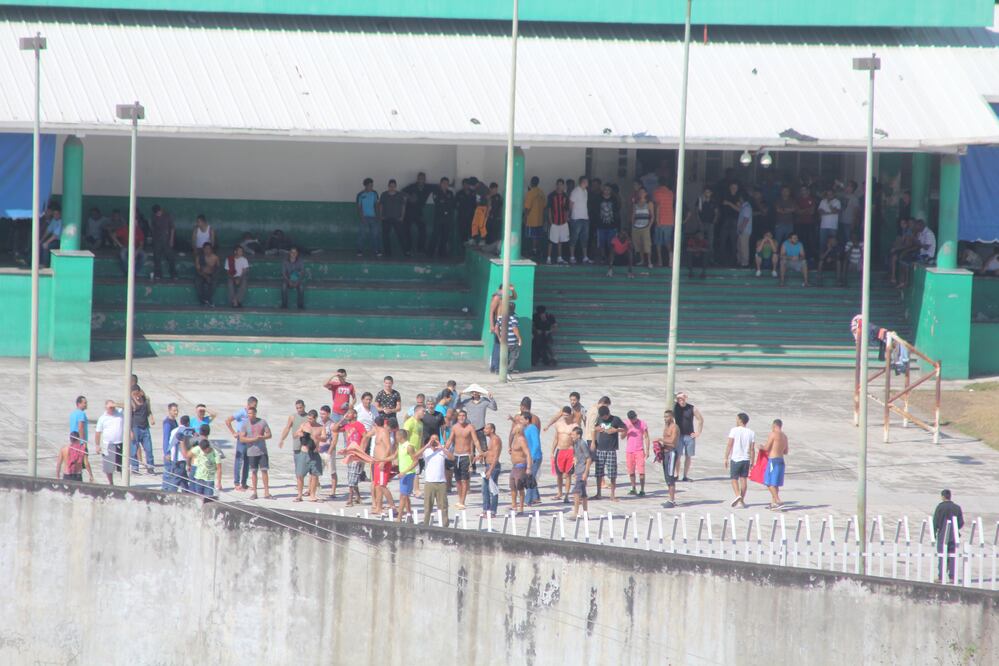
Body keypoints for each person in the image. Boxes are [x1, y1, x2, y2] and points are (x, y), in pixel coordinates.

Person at [361, 415, 400, 516]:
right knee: (378, 486)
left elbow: (388, 447)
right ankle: (378, 507)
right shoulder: (376, 430)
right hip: (377, 461)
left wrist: (383, 462)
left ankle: (393, 507)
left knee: (382, 486)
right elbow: (366, 435)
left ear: (375, 423)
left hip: (383, 462)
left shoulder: (384, 432)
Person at [239, 405, 273, 499]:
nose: (249, 415)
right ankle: (255, 492)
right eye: (248, 413)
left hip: (262, 451)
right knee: (254, 472)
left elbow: (269, 434)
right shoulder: (245, 424)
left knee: (264, 471)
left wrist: (263, 437)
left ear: (255, 413)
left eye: (250, 413)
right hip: (251, 452)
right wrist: (253, 439)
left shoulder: (262, 422)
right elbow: (241, 438)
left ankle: (266, 492)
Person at [397, 405, 425, 520]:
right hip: (408, 454)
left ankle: (408, 514)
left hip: (416, 454)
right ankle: (402, 515)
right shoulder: (410, 422)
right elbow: (403, 437)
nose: (424, 413)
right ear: (417, 411)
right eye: (423, 411)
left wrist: (422, 449)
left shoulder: (421, 424)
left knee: (406, 492)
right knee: (404, 493)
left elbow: (421, 438)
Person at [419, 434, 454, 526]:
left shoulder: (442, 451)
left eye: (436, 439)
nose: (434, 441)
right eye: (432, 439)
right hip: (429, 482)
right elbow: (415, 456)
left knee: (443, 506)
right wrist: (426, 445)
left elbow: (452, 457)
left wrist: (442, 448)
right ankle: (425, 524)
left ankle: (445, 525)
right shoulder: (426, 451)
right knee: (427, 506)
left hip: (441, 482)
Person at [457, 386, 497, 463]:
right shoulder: (467, 401)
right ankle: (473, 467)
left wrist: (492, 399)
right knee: (471, 449)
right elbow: (457, 406)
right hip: (470, 428)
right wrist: (459, 397)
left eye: (476, 391)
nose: (474, 393)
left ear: (480, 392)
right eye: (473, 392)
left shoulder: (485, 401)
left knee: (484, 449)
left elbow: (494, 408)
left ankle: (487, 466)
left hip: (481, 429)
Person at [446, 409, 476, 510]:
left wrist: (481, 453)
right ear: (457, 417)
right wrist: (443, 450)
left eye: (463, 415)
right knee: (458, 480)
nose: (462, 417)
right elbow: (450, 440)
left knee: (464, 480)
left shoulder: (470, 427)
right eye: (460, 416)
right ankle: (460, 500)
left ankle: (462, 501)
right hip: (456, 456)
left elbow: (475, 440)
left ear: (466, 417)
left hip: (465, 456)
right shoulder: (454, 427)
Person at [723, 412, 755, 508]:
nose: (736, 421)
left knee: (734, 479)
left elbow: (729, 444)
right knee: (743, 479)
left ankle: (738, 495)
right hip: (746, 459)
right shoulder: (751, 432)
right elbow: (752, 449)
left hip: (736, 458)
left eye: (737, 419)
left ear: (740, 420)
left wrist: (725, 457)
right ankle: (742, 501)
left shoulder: (734, 430)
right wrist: (752, 461)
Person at [224, 396, 257, 490]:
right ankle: (236, 483)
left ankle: (244, 483)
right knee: (239, 460)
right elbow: (228, 420)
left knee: (247, 461)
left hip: (250, 439)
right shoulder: (241, 412)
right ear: (249, 404)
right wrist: (233, 432)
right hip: (242, 438)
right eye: (254, 405)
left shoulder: (252, 414)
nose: (255, 407)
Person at [932, 489, 964, 584]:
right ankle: (952, 577)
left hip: (942, 534)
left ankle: (941, 577)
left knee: (942, 556)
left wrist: (934, 534)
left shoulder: (940, 507)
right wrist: (955, 527)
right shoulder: (957, 508)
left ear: (942, 496)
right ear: (950, 496)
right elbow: (961, 523)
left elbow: (935, 522)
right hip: (954, 535)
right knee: (952, 556)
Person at [672, 392, 703, 482]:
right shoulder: (675, 407)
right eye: (679, 399)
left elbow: (700, 419)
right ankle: (676, 475)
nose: (680, 401)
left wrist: (698, 432)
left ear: (685, 399)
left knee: (688, 456)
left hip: (689, 435)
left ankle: (685, 475)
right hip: (679, 435)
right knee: (678, 455)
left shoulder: (691, 408)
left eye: (682, 399)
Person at [547, 406, 576, 502]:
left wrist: (576, 455)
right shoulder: (558, 424)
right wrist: (552, 451)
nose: (565, 417)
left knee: (568, 474)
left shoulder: (574, 426)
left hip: (570, 451)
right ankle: (559, 492)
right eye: (563, 415)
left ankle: (567, 494)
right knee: (559, 474)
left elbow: (576, 441)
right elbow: (556, 438)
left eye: (567, 416)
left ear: (571, 414)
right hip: (560, 450)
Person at [488, 283, 517, 373]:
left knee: (499, 345)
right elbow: (491, 312)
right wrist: (492, 325)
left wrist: (512, 290)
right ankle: (496, 367)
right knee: (499, 345)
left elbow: (515, 297)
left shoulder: (505, 296)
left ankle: (494, 367)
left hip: (505, 322)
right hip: (499, 322)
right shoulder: (497, 297)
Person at [403, 172, 434, 254]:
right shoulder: (411, 186)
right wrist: (409, 197)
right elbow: (402, 192)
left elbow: (438, 186)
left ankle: (420, 248)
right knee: (406, 230)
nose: (421, 180)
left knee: (423, 229)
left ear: (425, 179)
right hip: (409, 211)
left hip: (419, 212)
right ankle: (408, 249)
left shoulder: (428, 187)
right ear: (417, 179)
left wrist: (451, 185)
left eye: (423, 179)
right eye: (420, 178)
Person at [95, 400, 124, 485]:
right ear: (106, 407)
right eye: (110, 407)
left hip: (120, 443)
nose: (112, 408)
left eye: (113, 407)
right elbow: (98, 432)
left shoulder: (119, 413)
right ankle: (111, 483)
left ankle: (124, 483)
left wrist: (116, 404)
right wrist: (97, 445)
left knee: (122, 466)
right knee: (108, 467)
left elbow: (128, 405)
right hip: (107, 444)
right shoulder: (102, 418)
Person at [476, 423, 503, 517]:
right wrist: (481, 455)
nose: (484, 430)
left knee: (492, 490)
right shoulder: (491, 439)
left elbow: (496, 456)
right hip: (488, 466)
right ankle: (486, 510)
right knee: (485, 489)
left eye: (487, 429)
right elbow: (490, 452)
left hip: (493, 467)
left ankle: (492, 511)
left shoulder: (495, 439)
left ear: (492, 430)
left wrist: (490, 470)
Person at [762, 419, 788, 509]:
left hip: (773, 461)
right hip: (781, 460)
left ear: (774, 425)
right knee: (775, 483)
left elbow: (766, 448)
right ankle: (774, 503)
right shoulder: (785, 436)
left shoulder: (773, 434)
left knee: (768, 481)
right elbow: (786, 451)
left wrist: (760, 447)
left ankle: (778, 500)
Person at [129, 385, 155, 475]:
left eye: (137, 393)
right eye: (133, 394)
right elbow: (128, 418)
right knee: (133, 449)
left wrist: (151, 418)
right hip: (135, 427)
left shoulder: (145, 400)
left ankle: (150, 467)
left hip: (145, 427)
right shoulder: (131, 403)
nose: (136, 395)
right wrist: (130, 431)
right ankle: (135, 468)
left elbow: (148, 411)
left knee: (149, 449)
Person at [110, 211, 146, 277]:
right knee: (122, 254)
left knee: (144, 256)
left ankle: (135, 272)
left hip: (136, 248)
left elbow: (141, 244)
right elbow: (113, 235)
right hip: (126, 247)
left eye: (136, 222)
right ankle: (128, 272)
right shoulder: (125, 229)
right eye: (134, 222)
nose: (136, 223)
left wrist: (136, 252)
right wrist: (120, 245)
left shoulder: (139, 230)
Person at [508, 416, 531, 514]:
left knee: (519, 487)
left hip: (521, 466)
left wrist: (529, 467)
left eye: (514, 428)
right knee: (512, 486)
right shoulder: (516, 438)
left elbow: (528, 454)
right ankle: (514, 505)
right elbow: (517, 422)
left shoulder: (521, 439)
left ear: (518, 430)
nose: (512, 429)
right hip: (514, 466)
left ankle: (521, 507)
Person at [624, 410, 650, 497]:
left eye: (634, 418)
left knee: (641, 471)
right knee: (631, 471)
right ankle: (633, 488)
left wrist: (647, 450)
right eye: (631, 419)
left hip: (639, 450)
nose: (633, 420)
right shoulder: (626, 423)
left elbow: (646, 437)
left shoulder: (642, 423)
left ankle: (642, 489)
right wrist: (627, 430)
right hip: (629, 450)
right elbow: (622, 436)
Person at [567, 426, 591, 520]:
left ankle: (575, 513)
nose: (571, 436)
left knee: (576, 493)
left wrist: (585, 473)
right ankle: (585, 514)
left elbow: (588, 458)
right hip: (579, 471)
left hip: (582, 471)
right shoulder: (576, 444)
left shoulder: (582, 444)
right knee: (583, 494)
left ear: (578, 435)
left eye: (573, 434)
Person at [429, 177, 457, 259]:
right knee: (435, 235)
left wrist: (445, 202)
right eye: (444, 183)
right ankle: (430, 253)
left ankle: (442, 252)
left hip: (448, 217)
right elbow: (438, 203)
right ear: (440, 184)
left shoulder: (450, 193)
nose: (445, 185)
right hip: (439, 217)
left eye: (447, 183)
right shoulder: (436, 192)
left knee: (445, 236)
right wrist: (445, 202)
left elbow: (452, 204)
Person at [379, 179, 407, 257]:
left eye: (393, 186)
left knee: (401, 235)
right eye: (390, 186)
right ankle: (388, 253)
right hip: (386, 218)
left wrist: (402, 217)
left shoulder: (400, 195)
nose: (392, 188)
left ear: (396, 186)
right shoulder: (384, 194)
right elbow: (381, 205)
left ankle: (405, 251)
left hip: (397, 218)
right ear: (388, 186)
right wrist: (381, 215)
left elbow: (403, 206)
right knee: (385, 236)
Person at [594, 184, 621, 264]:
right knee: (601, 242)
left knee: (611, 243)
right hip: (601, 225)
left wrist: (617, 224)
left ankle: (611, 257)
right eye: (605, 189)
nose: (606, 191)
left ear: (611, 191)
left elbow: (617, 211)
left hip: (612, 225)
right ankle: (603, 257)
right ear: (603, 190)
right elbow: (595, 211)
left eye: (608, 189)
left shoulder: (614, 199)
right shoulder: (598, 199)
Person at [293, 433, 323, 503]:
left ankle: (312, 495)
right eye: (309, 420)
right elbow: (295, 435)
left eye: (313, 420)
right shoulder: (304, 426)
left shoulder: (320, 427)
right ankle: (299, 495)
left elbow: (324, 438)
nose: (311, 420)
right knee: (300, 475)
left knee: (314, 475)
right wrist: (301, 434)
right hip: (304, 453)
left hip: (315, 453)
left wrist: (317, 436)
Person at [356, 177, 382, 258]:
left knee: (375, 234)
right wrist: (362, 217)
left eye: (372, 185)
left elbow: (377, 205)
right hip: (364, 217)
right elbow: (359, 207)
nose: (371, 187)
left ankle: (376, 250)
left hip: (373, 217)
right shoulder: (360, 195)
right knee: (362, 234)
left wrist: (378, 217)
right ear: (365, 186)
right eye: (370, 185)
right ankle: (359, 250)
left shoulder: (374, 193)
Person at [568, 176, 592, 264]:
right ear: (582, 182)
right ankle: (572, 256)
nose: (587, 183)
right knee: (574, 237)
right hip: (576, 218)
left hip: (585, 218)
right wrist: (570, 215)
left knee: (584, 238)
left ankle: (585, 257)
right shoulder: (575, 191)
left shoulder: (585, 191)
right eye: (586, 181)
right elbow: (570, 203)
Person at [546, 178, 570, 264]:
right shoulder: (551, 195)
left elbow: (567, 209)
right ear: (556, 185)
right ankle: (548, 258)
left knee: (560, 240)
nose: (560, 186)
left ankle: (559, 257)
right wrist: (550, 221)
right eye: (558, 184)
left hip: (563, 222)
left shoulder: (565, 196)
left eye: (561, 184)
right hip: (554, 222)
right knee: (551, 240)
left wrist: (566, 219)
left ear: (563, 186)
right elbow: (549, 209)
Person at [521, 412, 543, 506]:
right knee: (531, 477)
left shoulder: (533, 428)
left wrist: (532, 457)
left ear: (527, 420)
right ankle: (535, 497)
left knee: (529, 478)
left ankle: (527, 500)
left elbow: (536, 444)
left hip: (535, 457)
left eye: (522, 419)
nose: (520, 421)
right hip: (529, 457)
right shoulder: (526, 428)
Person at [659, 410, 680, 507]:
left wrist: (661, 440)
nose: (665, 418)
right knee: (667, 477)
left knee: (670, 477)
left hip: (671, 453)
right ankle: (670, 499)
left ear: (671, 417)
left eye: (667, 416)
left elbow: (672, 441)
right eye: (664, 416)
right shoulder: (666, 426)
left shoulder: (674, 427)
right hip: (665, 453)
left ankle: (672, 500)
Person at [150, 204, 177, 280]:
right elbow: (152, 228)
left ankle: (173, 274)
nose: (158, 214)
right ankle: (158, 274)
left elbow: (172, 228)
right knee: (157, 258)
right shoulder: (153, 217)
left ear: (161, 210)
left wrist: (171, 240)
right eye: (156, 213)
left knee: (170, 257)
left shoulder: (167, 216)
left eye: (159, 212)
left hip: (166, 240)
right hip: (157, 240)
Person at [495, 303, 523, 373]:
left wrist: (499, 338)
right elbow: (514, 328)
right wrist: (519, 338)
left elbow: (496, 329)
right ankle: (508, 370)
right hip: (512, 342)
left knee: (503, 357)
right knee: (514, 356)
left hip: (503, 341)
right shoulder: (514, 318)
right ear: (513, 309)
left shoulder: (500, 318)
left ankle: (500, 370)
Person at [523, 176, 546, 259]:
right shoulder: (541, 192)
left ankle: (532, 251)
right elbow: (544, 206)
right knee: (537, 236)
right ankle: (536, 250)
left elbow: (527, 207)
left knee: (530, 237)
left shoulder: (530, 193)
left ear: (531, 182)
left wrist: (525, 217)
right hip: (539, 219)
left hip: (531, 219)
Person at [631, 186, 654, 269]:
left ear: (646, 193)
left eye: (643, 192)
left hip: (645, 227)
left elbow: (652, 216)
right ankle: (642, 260)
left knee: (647, 245)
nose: (641, 193)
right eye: (640, 192)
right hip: (636, 227)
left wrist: (649, 226)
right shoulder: (635, 203)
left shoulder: (649, 203)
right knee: (638, 245)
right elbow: (633, 215)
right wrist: (633, 225)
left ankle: (649, 261)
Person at [719, 182, 741, 266]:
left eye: (735, 187)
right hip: (725, 220)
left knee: (733, 242)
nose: (734, 188)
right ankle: (722, 260)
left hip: (734, 221)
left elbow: (739, 209)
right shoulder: (725, 195)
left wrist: (729, 203)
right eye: (732, 187)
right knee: (722, 241)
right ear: (730, 187)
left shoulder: (738, 197)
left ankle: (733, 261)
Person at [794, 186, 817, 256]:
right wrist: (807, 209)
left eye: (804, 190)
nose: (803, 191)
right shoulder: (798, 200)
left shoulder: (812, 199)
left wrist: (802, 210)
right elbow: (798, 212)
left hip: (810, 223)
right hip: (800, 223)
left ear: (808, 190)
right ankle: (801, 254)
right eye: (801, 190)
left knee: (810, 240)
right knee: (801, 239)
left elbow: (812, 212)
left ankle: (810, 256)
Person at [817, 189, 842, 254]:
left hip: (833, 226)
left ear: (833, 194)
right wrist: (829, 212)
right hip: (823, 226)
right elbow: (820, 211)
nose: (829, 196)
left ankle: (833, 258)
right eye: (828, 194)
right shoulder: (823, 201)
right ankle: (822, 258)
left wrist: (829, 205)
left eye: (830, 194)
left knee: (833, 244)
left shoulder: (837, 201)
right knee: (822, 243)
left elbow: (836, 211)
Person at [736, 196, 753, 268]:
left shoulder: (746, 207)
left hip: (744, 231)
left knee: (744, 247)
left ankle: (745, 263)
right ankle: (740, 261)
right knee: (739, 246)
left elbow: (746, 219)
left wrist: (741, 228)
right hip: (742, 230)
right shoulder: (744, 207)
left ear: (741, 198)